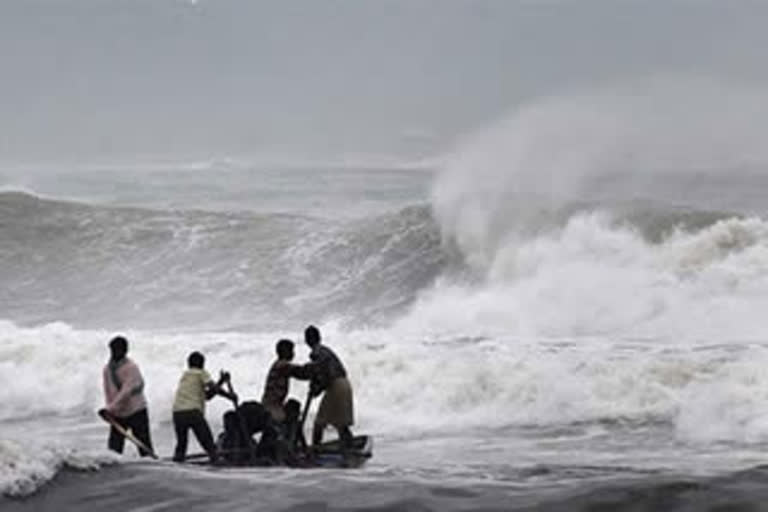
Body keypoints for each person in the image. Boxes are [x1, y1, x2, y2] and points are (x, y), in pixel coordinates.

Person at [171, 351, 236, 463]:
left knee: (181, 445)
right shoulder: (200, 373)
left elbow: (208, 396)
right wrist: (229, 396)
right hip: (193, 413)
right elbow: (214, 388)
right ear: (202, 364)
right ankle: (216, 461)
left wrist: (221, 381)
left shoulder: (185, 376)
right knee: (208, 444)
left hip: (178, 413)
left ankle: (177, 462)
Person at [100, 336, 154, 457]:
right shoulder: (107, 369)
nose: (114, 353)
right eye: (113, 350)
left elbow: (126, 391)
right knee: (114, 450)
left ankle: (151, 464)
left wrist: (110, 408)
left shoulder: (131, 368)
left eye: (118, 350)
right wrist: (110, 410)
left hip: (136, 411)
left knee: (144, 446)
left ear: (125, 351)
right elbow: (108, 391)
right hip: (118, 413)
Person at [303, 325, 354, 452]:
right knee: (341, 423)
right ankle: (350, 448)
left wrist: (316, 389)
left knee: (319, 422)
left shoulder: (316, 353)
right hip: (345, 384)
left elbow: (324, 376)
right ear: (319, 338)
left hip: (335, 386)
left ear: (307, 341)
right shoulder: (326, 350)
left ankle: (315, 450)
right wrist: (317, 387)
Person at [261, 339, 311, 423]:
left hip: (273, 404)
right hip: (272, 407)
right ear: (285, 352)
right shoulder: (282, 365)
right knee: (291, 415)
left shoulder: (278, 364)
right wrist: (315, 367)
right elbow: (301, 373)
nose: (293, 353)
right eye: (291, 350)